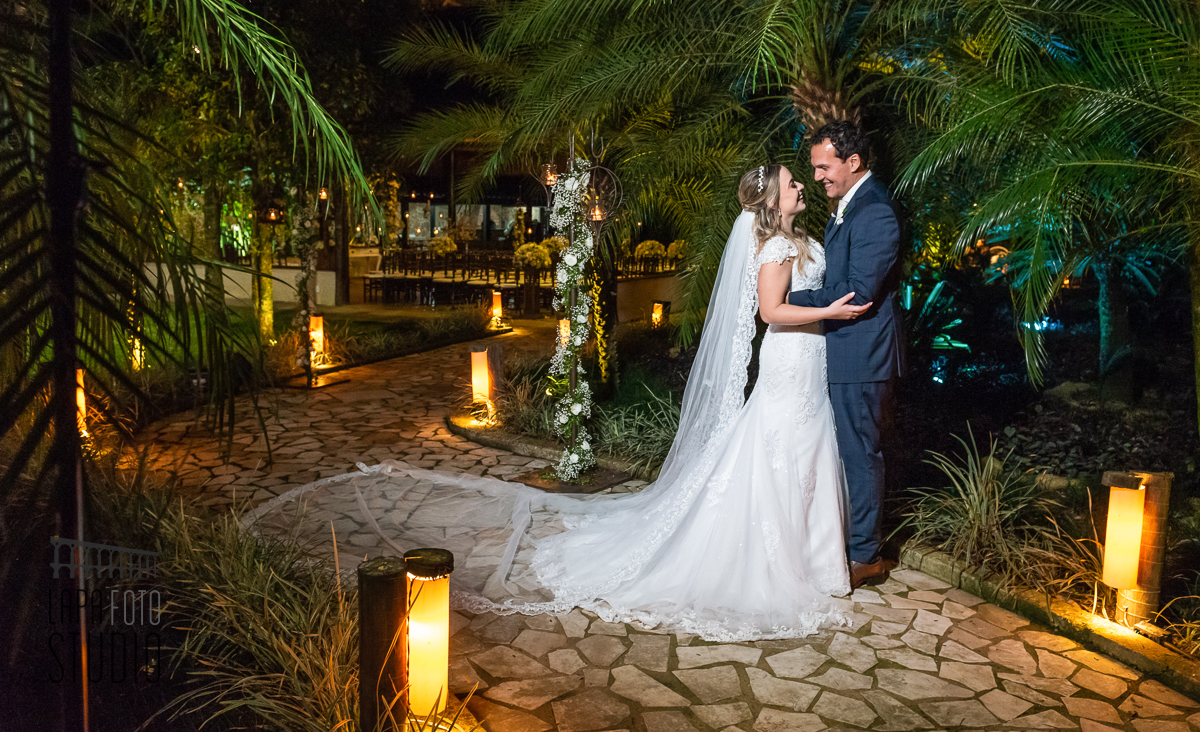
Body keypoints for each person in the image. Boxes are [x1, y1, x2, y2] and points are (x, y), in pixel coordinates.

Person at [247, 165, 869, 642]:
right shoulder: (775, 249)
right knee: (780, 453)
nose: (799, 188)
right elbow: (770, 312)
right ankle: (780, 563)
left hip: (811, 367)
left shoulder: (804, 239)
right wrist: (829, 312)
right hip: (792, 360)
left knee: (807, 454)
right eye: (792, 183)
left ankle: (817, 563)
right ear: (770, 199)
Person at [787, 121, 902, 590]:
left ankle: (865, 556)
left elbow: (857, 293)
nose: (816, 177)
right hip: (842, 350)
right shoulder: (847, 207)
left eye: (823, 167)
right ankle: (847, 541)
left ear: (852, 163)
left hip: (863, 355)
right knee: (844, 451)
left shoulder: (875, 212)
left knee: (859, 453)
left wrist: (787, 305)